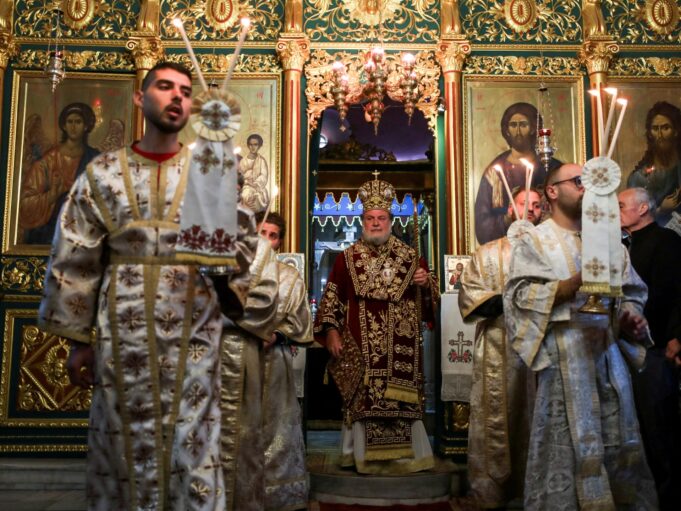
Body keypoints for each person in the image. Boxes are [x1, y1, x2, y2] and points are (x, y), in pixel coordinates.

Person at [38, 61, 251, 510]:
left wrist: (226, 212)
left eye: (185, 92)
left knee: (193, 443)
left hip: (194, 331)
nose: (177, 97)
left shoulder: (206, 170)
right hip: (122, 330)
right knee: (122, 441)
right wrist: (78, 341)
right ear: (140, 97)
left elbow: (237, 255)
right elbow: (76, 256)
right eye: (165, 87)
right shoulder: (102, 173)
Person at [503, 163, 657, 510]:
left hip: (607, 357)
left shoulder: (609, 239)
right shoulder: (534, 241)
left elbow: (632, 291)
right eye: (577, 181)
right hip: (563, 358)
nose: (585, 186)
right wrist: (573, 284)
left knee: (618, 443)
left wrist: (631, 317)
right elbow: (518, 297)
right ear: (552, 191)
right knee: (565, 447)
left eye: (587, 180)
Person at [313, 177, 439, 474]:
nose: (376, 223)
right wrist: (331, 332)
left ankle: (408, 459)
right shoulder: (347, 259)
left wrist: (425, 284)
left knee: (401, 403)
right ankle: (360, 457)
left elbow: (428, 306)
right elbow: (331, 298)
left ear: (390, 221)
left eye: (381, 218)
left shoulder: (410, 257)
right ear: (363, 221)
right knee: (362, 400)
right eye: (370, 218)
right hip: (361, 347)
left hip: (401, 351)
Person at [220, 209, 313, 510]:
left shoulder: (290, 277)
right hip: (234, 359)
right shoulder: (232, 272)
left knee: (275, 427)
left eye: (273, 236)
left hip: (274, 363)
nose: (267, 240)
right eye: (263, 233)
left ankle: (276, 491)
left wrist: (277, 335)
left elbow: (300, 323)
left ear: (279, 242)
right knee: (236, 426)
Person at [459, 187, 542, 509]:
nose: (530, 210)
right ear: (510, 208)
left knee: (537, 416)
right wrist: (514, 299)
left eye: (537, 205)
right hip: (497, 344)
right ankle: (491, 491)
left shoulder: (551, 252)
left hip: (541, 347)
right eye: (524, 203)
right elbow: (471, 295)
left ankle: (535, 490)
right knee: (498, 418)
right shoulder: (487, 253)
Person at [618, 186, 681, 510]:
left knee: (659, 430)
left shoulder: (667, 242)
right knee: (636, 429)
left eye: (621, 205)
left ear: (642, 209)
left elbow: (675, 292)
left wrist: (676, 336)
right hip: (626, 348)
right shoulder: (622, 246)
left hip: (656, 349)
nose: (616, 211)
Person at [474, 102, 562, 245]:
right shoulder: (494, 172)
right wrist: (508, 218)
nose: (518, 131)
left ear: (533, 128)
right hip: (506, 247)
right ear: (507, 130)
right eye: (513, 125)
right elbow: (482, 223)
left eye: (524, 125)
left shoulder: (552, 167)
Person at [20, 102, 100, 244]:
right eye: (70, 122)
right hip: (50, 233)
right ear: (64, 125)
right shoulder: (47, 162)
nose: (73, 127)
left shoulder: (95, 160)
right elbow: (26, 205)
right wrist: (52, 195)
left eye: (78, 122)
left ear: (86, 126)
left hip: (85, 233)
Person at [627, 101, 681, 226]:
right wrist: (661, 209)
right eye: (655, 129)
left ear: (676, 131)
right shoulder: (639, 178)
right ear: (650, 133)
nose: (660, 135)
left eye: (666, 128)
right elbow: (633, 218)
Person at [239, 133, 270, 213]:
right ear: (248, 145)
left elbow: (264, 176)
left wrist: (255, 184)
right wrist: (246, 181)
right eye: (251, 144)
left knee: (261, 198)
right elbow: (240, 175)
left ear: (259, 146)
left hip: (258, 187)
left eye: (255, 144)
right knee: (245, 195)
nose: (253, 147)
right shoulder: (243, 161)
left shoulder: (262, 161)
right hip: (246, 186)